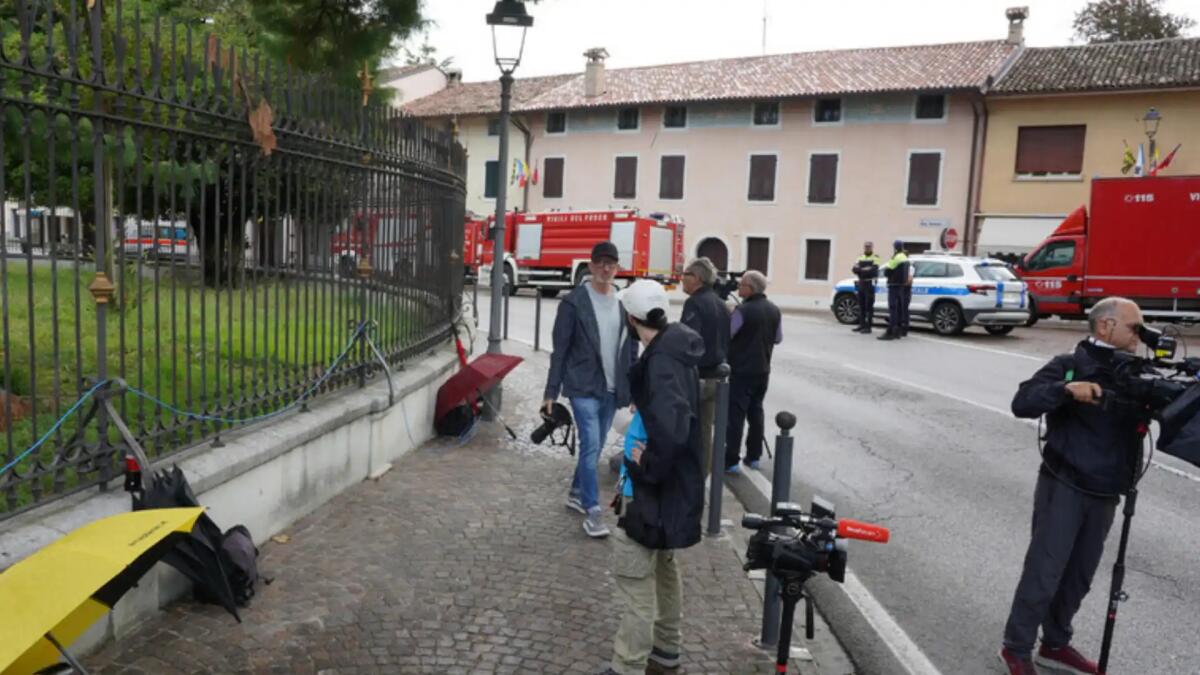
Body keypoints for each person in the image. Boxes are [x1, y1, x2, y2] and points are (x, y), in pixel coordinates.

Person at [998, 297, 1148, 675]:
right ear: (1105, 327)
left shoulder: (1136, 373)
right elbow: (1023, 402)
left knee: (1080, 574)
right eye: (1134, 327)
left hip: (1107, 491)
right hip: (1065, 483)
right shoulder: (1068, 366)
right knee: (1044, 571)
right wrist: (1066, 391)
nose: (1140, 335)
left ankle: (1055, 643)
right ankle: (1016, 648)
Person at [602, 279, 704, 675]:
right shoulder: (675, 351)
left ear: (631, 318)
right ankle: (666, 650)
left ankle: (627, 666)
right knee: (663, 569)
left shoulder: (661, 362)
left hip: (650, 491)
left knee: (636, 579)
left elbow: (674, 425)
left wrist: (646, 464)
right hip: (672, 490)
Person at [544, 241, 636, 539]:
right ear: (591, 265)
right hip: (582, 385)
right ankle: (593, 510)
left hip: (612, 389)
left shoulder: (625, 304)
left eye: (611, 263)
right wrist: (551, 391)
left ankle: (574, 491)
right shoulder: (574, 302)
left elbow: (631, 350)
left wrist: (633, 390)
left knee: (592, 447)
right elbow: (560, 350)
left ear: (617, 267)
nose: (605, 269)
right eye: (600, 263)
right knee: (592, 445)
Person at [724, 270, 781, 473]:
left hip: (741, 371)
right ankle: (754, 456)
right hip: (763, 370)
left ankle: (731, 460)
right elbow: (778, 338)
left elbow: (728, 334)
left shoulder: (743, 311)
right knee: (756, 412)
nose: (738, 288)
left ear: (750, 288)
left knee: (735, 416)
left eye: (741, 285)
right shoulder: (774, 310)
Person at [679, 257, 730, 476]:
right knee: (705, 430)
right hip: (716, 375)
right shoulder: (721, 303)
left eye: (686, 274)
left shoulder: (694, 303)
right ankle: (703, 476)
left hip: (697, 376)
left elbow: (689, 341)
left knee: (687, 428)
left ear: (697, 278)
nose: (682, 278)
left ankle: (689, 475)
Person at [878, 240, 910, 341]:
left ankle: (891, 331)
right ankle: (898, 332)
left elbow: (887, 271)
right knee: (900, 308)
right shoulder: (905, 257)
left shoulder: (896, 258)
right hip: (901, 286)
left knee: (893, 308)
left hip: (893, 285)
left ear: (895, 248)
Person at [851, 242, 882, 334]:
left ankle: (868, 327)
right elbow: (854, 269)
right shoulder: (860, 257)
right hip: (861, 282)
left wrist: (860, 269)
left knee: (869, 305)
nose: (867, 248)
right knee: (861, 305)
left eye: (869, 247)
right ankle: (861, 325)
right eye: (866, 247)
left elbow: (873, 269)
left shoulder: (875, 257)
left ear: (872, 247)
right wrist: (864, 269)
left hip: (870, 283)